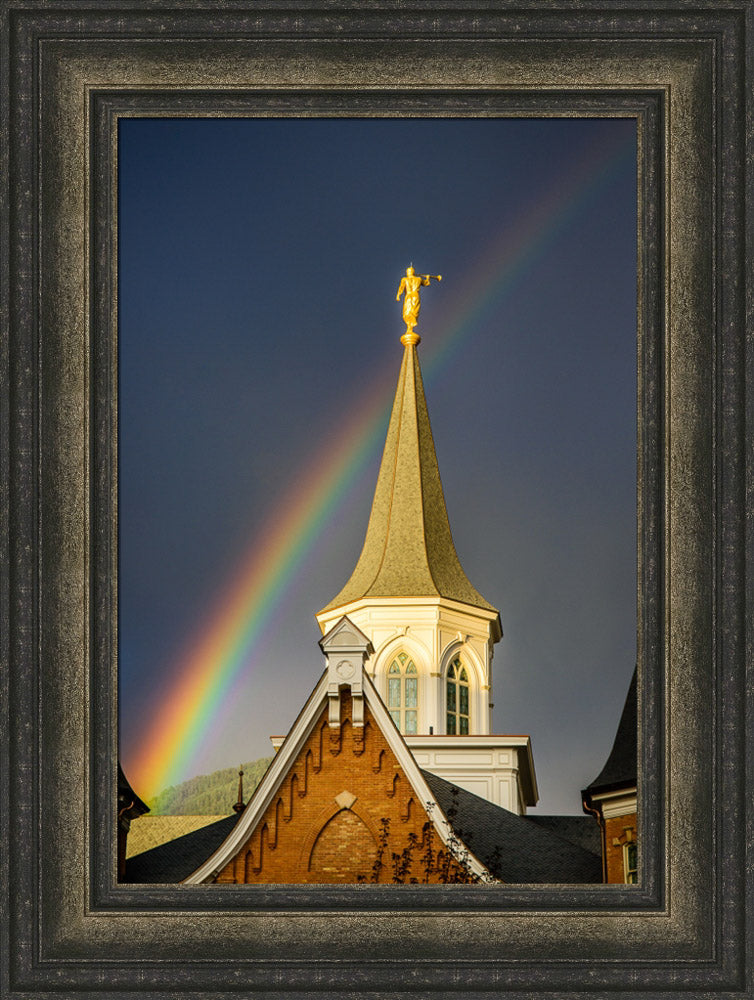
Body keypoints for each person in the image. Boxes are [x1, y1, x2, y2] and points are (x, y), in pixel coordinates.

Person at [396, 266, 440, 336]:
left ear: (408, 272)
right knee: (413, 312)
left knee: (407, 312)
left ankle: (409, 328)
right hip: (415, 296)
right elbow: (426, 283)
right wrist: (428, 278)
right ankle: (410, 328)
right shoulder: (418, 279)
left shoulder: (404, 279)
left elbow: (401, 287)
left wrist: (398, 295)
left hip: (409, 296)